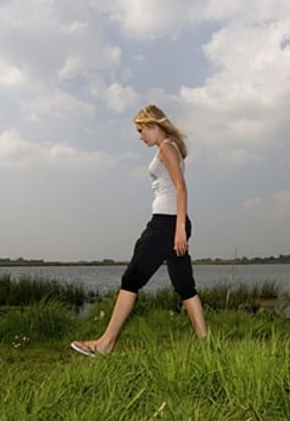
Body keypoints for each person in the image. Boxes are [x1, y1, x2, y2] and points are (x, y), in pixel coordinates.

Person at [70, 104, 208, 357]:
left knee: (131, 280)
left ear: (153, 126)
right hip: (172, 222)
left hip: (165, 224)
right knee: (185, 286)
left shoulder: (166, 147)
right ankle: (207, 345)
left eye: (141, 130)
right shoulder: (170, 147)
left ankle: (105, 344)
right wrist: (180, 227)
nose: (140, 136)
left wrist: (177, 229)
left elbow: (181, 187)